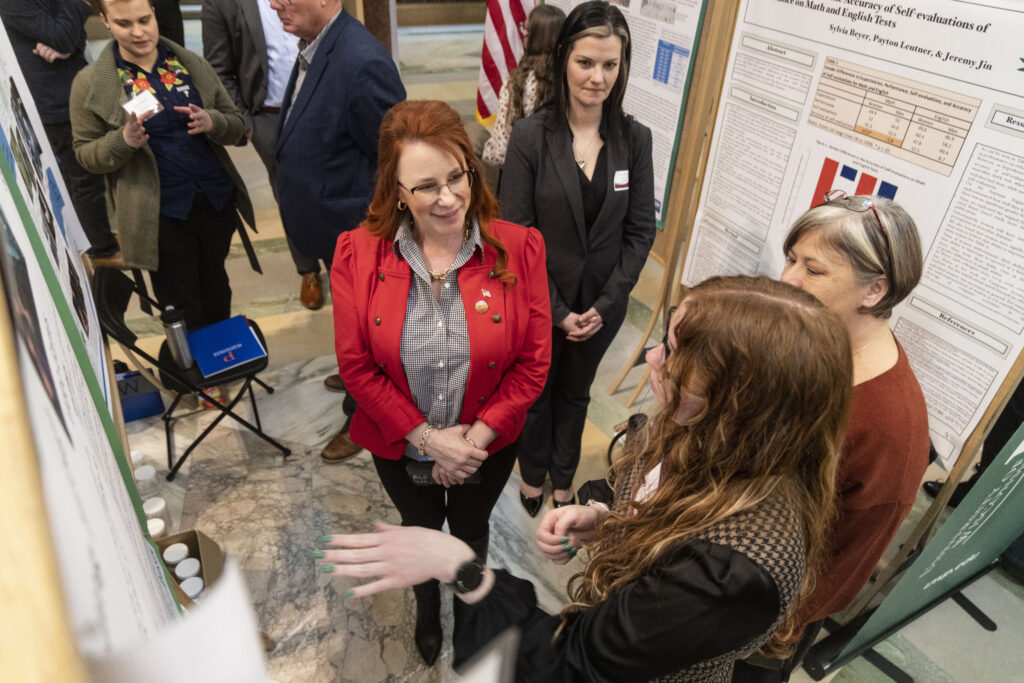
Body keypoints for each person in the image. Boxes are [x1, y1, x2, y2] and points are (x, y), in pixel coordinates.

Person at [317, 275, 853, 681]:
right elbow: (648, 498)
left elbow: (572, 664)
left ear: (739, 400)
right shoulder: (698, 431)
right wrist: (601, 514)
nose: (651, 357)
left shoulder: (734, 572)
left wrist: (459, 566)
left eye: (674, 352)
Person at [329, 99, 551, 667]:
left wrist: (470, 444)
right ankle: (428, 607)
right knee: (422, 526)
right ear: (397, 190)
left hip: (487, 447)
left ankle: (471, 607)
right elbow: (357, 367)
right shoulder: (357, 253)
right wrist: (428, 440)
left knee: (471, 527)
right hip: (400, 443)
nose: (449, 197)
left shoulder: (520, 247)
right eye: (426, 186)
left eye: (458, 177)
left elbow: (532, 364)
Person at [734, 191, 930, 680]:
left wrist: (768, 628)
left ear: (873, 291)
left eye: (814, 270)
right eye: (791, 260)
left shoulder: (890, 425)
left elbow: (841, 565)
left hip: (756, 619)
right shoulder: (810, 340)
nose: (789, 279)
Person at [501, 0, 656, 515]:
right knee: (536, 390)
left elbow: (638, 233)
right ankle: (532, 473)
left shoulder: (635, 140)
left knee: (575, 393)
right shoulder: (531, 138)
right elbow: (515, 233)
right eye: (586, 62)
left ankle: (562, 479)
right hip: (540, 301)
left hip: (602, 305)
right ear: (564, 57)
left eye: (610, 65)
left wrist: (608, 302)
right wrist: (558, 308)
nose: (597, 77)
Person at [70, 0, 261, 332]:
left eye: (145, 19)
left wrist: (211, 121)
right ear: (105, 21)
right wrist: (123, 140)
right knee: (180, 301)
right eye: (125, 24)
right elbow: (85, 154)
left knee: (217, 287)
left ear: (156, 13)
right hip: (158, 215)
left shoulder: (191, 64)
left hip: (214, 201)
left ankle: (219, 367)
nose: (139, 32)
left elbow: (234, 123)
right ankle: (196, 376)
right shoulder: (90, 84)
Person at [270, 0, 406, 463]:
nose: (273, 4)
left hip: (359, 236)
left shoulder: (362, 60)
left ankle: (362, 418)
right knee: (350, 328)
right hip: (331, 231)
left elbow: (393, 161)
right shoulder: (316, 44)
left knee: (368, 334)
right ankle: (353, 381)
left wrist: (374, 237)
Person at [202, 0, 326, 311]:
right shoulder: (221, 4)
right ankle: (308, 269)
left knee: (334, 186)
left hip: (324, 104)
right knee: (291, 196)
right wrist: (247, 125)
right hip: (271, 118)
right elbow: (218, 69)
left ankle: (346, 263)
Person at [0, 0, 120, 261]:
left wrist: (70, 48)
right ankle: (102, 251)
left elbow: (70, 38)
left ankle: (103, 243)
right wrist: (82, 5)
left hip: (75, 92)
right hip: (52, 105)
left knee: (97, 174)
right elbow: (63, 34)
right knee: (81, 182)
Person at [480, 4, 564, 171]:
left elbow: (500, 151)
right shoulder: (571, 79)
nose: (523, 32)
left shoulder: (518, 83)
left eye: (527, 28)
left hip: (524, 172)